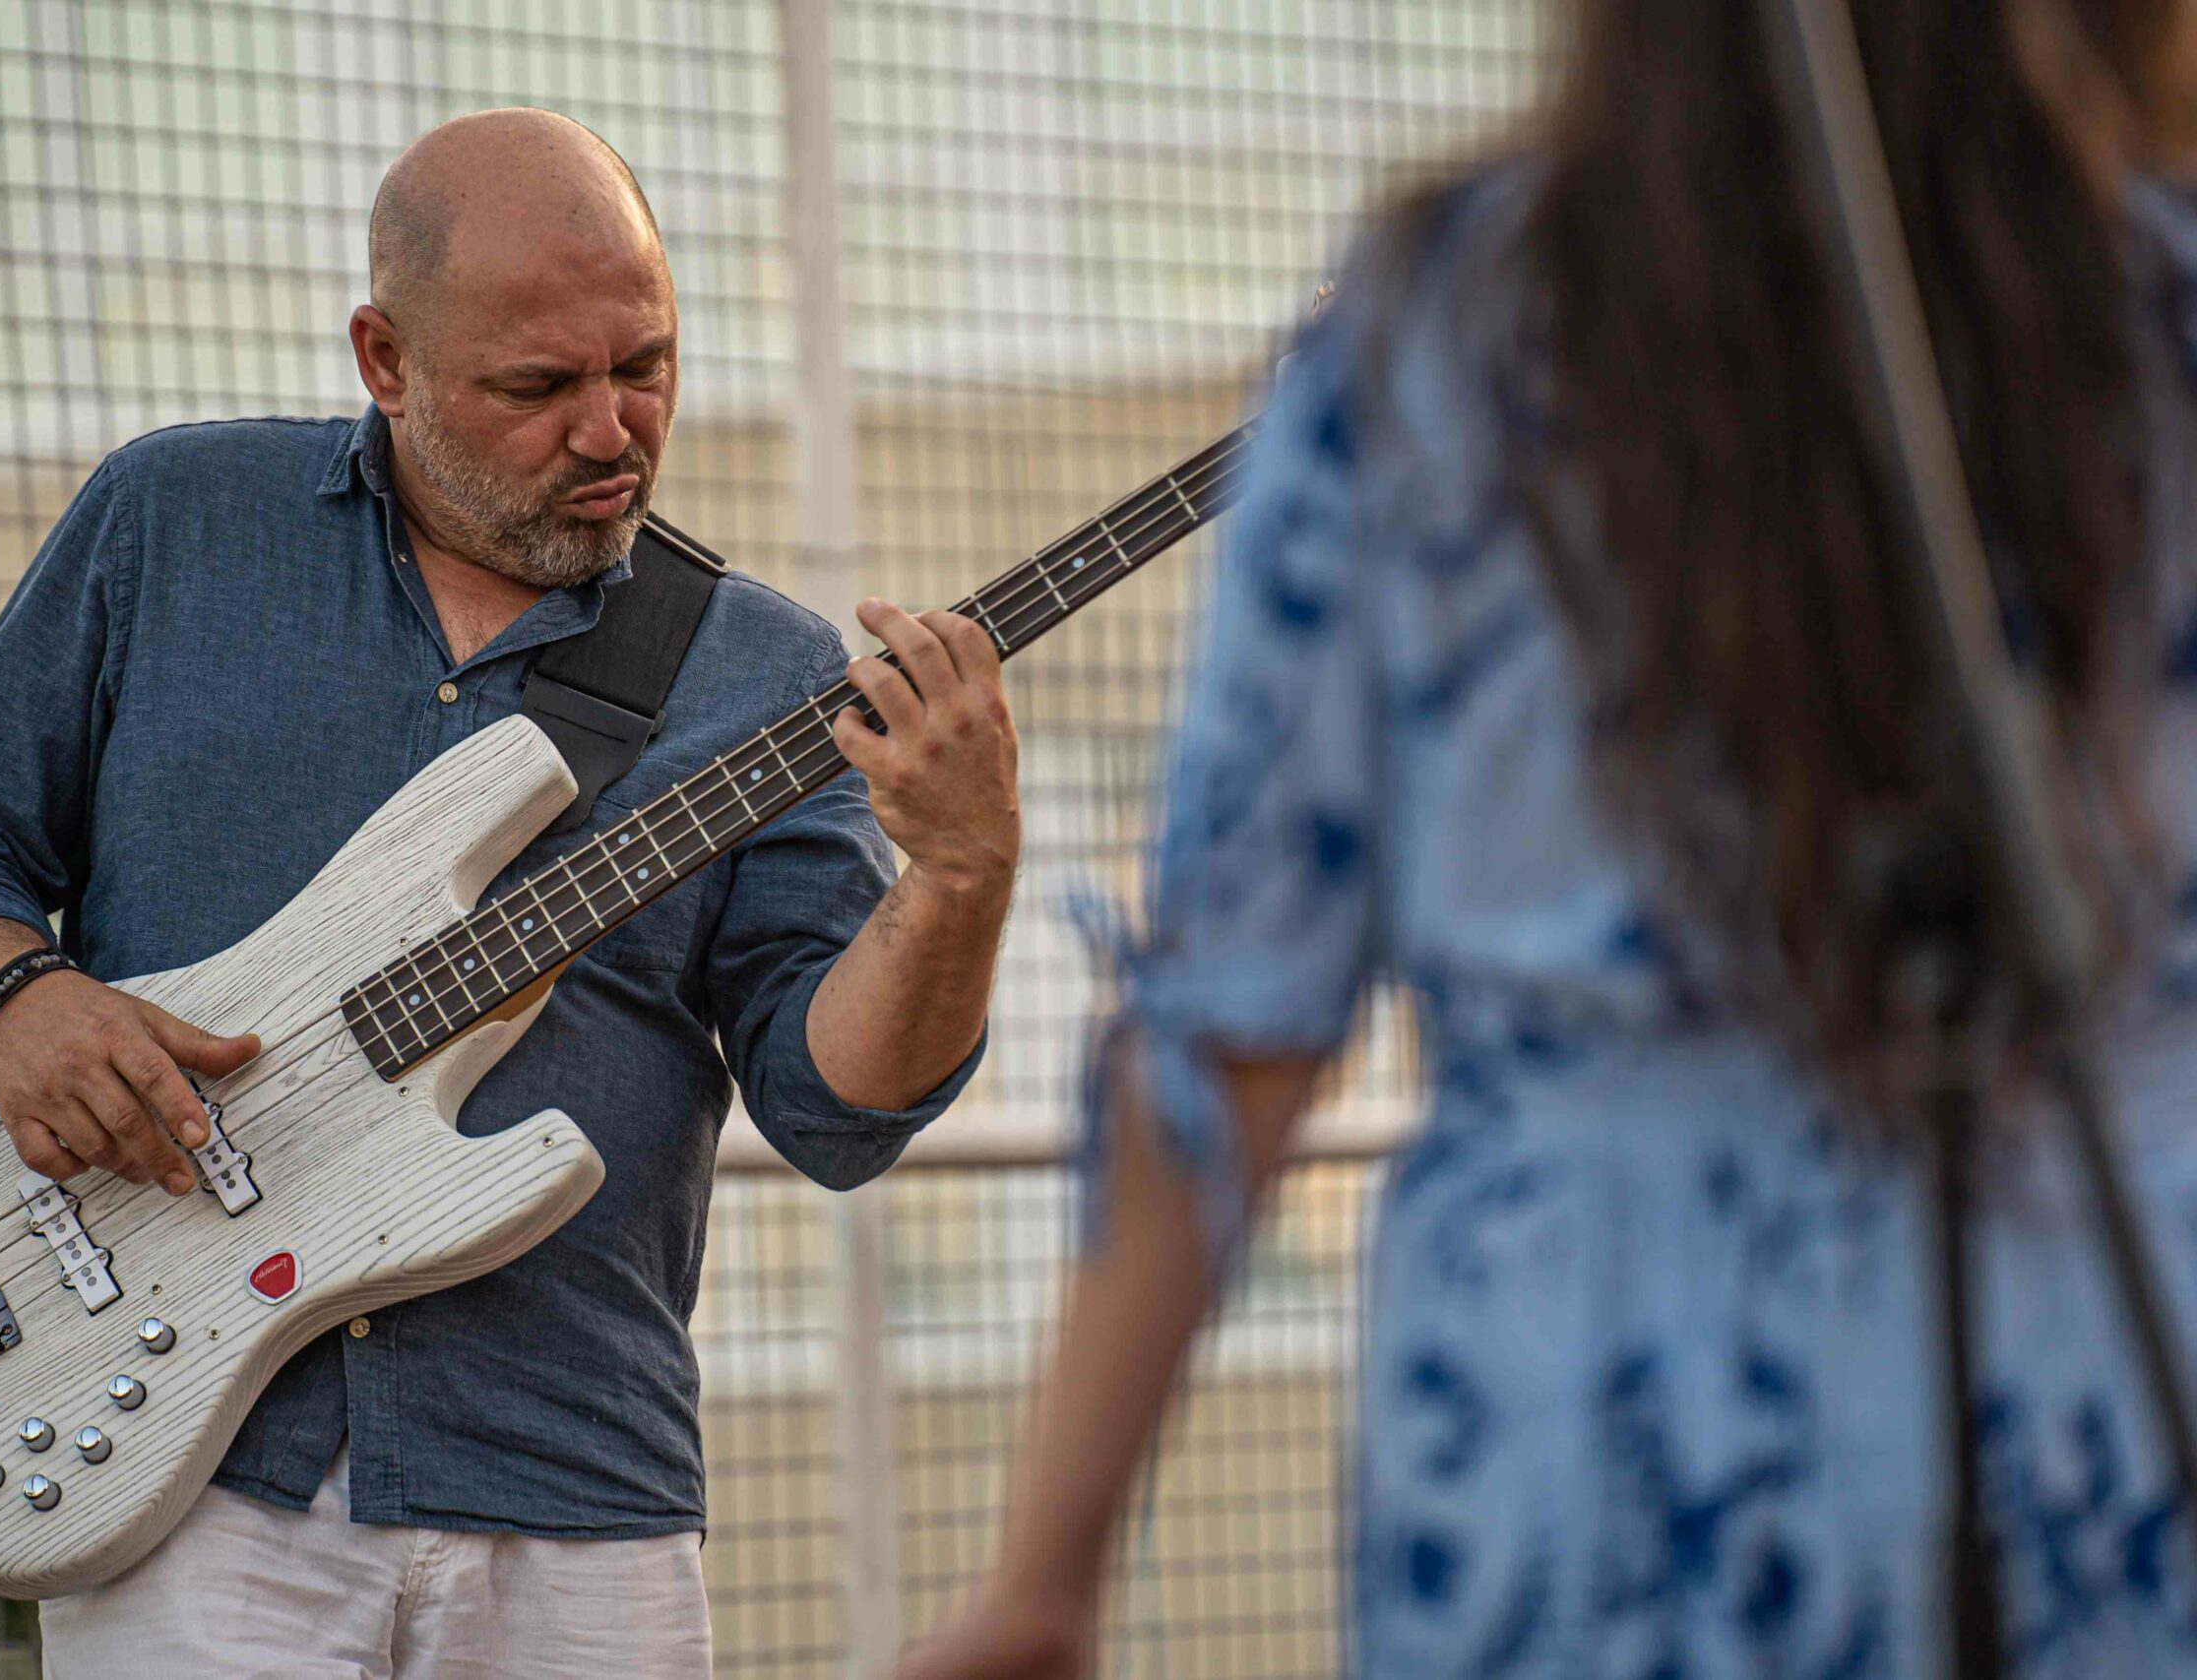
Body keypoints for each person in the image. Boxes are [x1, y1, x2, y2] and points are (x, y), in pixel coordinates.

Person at [902, 3, 2197, 1676]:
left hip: (1594, 1422)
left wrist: (1046, 1575)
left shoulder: (1438, 332)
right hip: (2097, 1392)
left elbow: (1231, 1019)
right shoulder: (2161, 308)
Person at [0, 108, 1020, 1677]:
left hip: (575, 1486)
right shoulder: (172, 523)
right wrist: (15, 1002)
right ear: (384, 360)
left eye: (647, 366)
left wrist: (962, 875)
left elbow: (834, 1110)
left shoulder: (765, 674)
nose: (609, 430)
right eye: (539, 387)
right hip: (196, 1473)